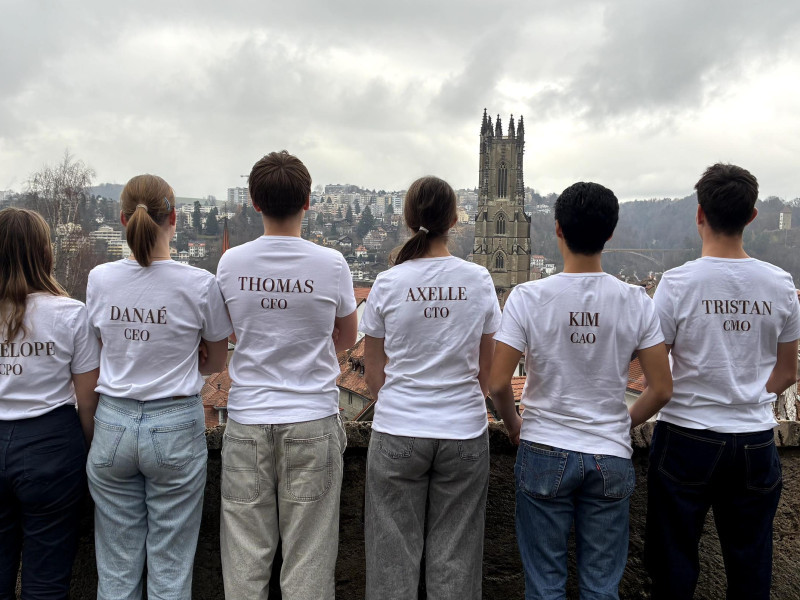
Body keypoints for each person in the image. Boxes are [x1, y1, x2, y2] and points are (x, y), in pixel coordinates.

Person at [489, 182, 673, 599]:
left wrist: (514, 425)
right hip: (609, 452)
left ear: (557, 229)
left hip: (543, 447)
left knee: (544, 586)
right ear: (610, 233)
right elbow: (661, 389)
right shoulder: (636, 300)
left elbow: (498, 382)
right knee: (601, 588)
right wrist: (620, 423)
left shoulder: (527, 297)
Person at [645, 164, 800, 600]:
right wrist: (746, 396)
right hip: (754, 439)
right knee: (751, 568)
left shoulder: (677, 283)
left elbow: (656, 368)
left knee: (672, 568)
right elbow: (788, 372)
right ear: (752, 216)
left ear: (699, 213)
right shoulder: (781, 284)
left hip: (686, 436)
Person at [216, 150, 357, 600]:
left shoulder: (231, 263)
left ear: (254, 202)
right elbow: (347, 337)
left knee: (244, 564)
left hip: (247, 421)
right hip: (311, 418)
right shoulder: (331, 264)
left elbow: (228, 332)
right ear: (308, 202)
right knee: (309, 563)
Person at [85, 175, 232, 600]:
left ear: (122, 219)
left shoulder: (99, 279)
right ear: (175, 218)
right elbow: (217, 361)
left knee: (115, 572)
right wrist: (189, 351)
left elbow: (99, 347)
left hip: (113, 419)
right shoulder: (199, 283)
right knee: (170, 570)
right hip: (175, 422)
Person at [360, 176, 501, 599]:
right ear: (454, 220)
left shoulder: (388, 283)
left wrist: (400, 403)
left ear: (408, 220)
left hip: (399, 428)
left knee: (391, 563)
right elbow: (487, 370)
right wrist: (461, 402)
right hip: (463, 431)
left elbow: (373, 373)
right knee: (456, 562)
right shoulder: (478, 280)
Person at [0, 208, 100, 599]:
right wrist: (91, 454)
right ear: (45, 252)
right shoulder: (71, 314)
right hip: (51, 447)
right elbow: (88, 402)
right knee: (46, 582)